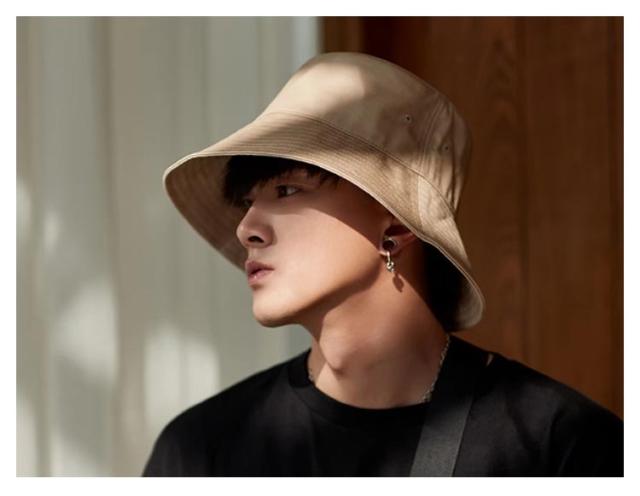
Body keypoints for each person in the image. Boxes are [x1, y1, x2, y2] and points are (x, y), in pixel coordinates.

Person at [142, 52, 623, 476]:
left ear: (396, 222)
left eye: (286, 190)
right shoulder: (201, 452)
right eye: (247, 201)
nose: (247, 228)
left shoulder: (564, 449)